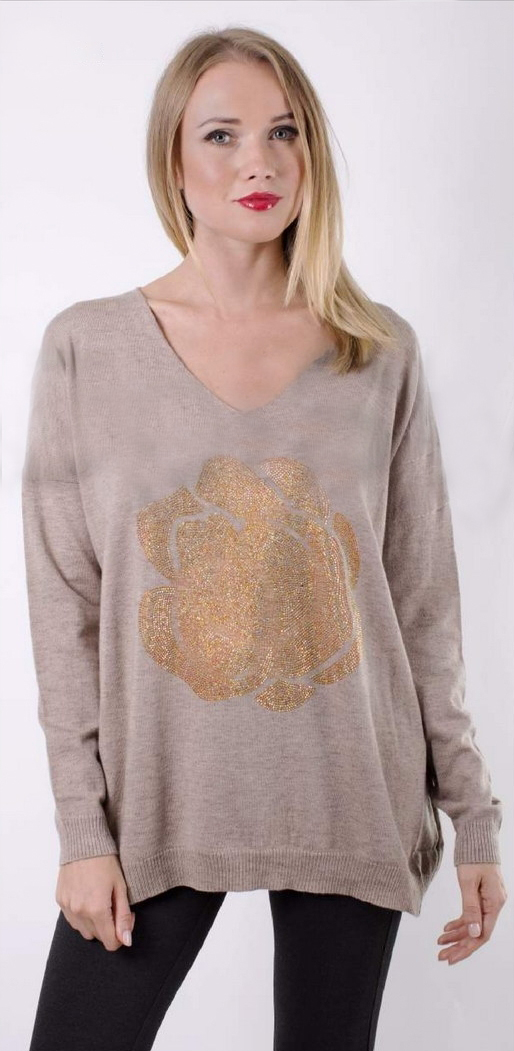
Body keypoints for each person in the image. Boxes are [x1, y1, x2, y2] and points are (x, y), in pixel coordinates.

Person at [22, 25, 507, 1051]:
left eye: (285, 133)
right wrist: (81, 830)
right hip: (157, 807)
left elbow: (423, 602)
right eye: (223, 135)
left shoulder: (376, 351)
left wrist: (475, 816)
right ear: (172, 161)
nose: (260, 162)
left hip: (352, 795)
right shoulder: (86, 349)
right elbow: (64, 610)